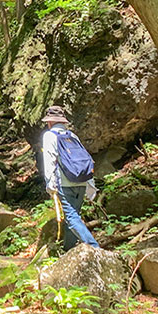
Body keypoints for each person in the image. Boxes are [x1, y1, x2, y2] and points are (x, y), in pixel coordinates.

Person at [40, 106, 99, 251]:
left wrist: (50, 184)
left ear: (49, 122)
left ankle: (95, 247)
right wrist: (90, 183)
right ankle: (69, 249)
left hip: (64, 183)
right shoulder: (72, 136)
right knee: (73, 216)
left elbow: (50, 160)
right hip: (81, 181)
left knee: (72, 218)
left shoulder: (49, 136)